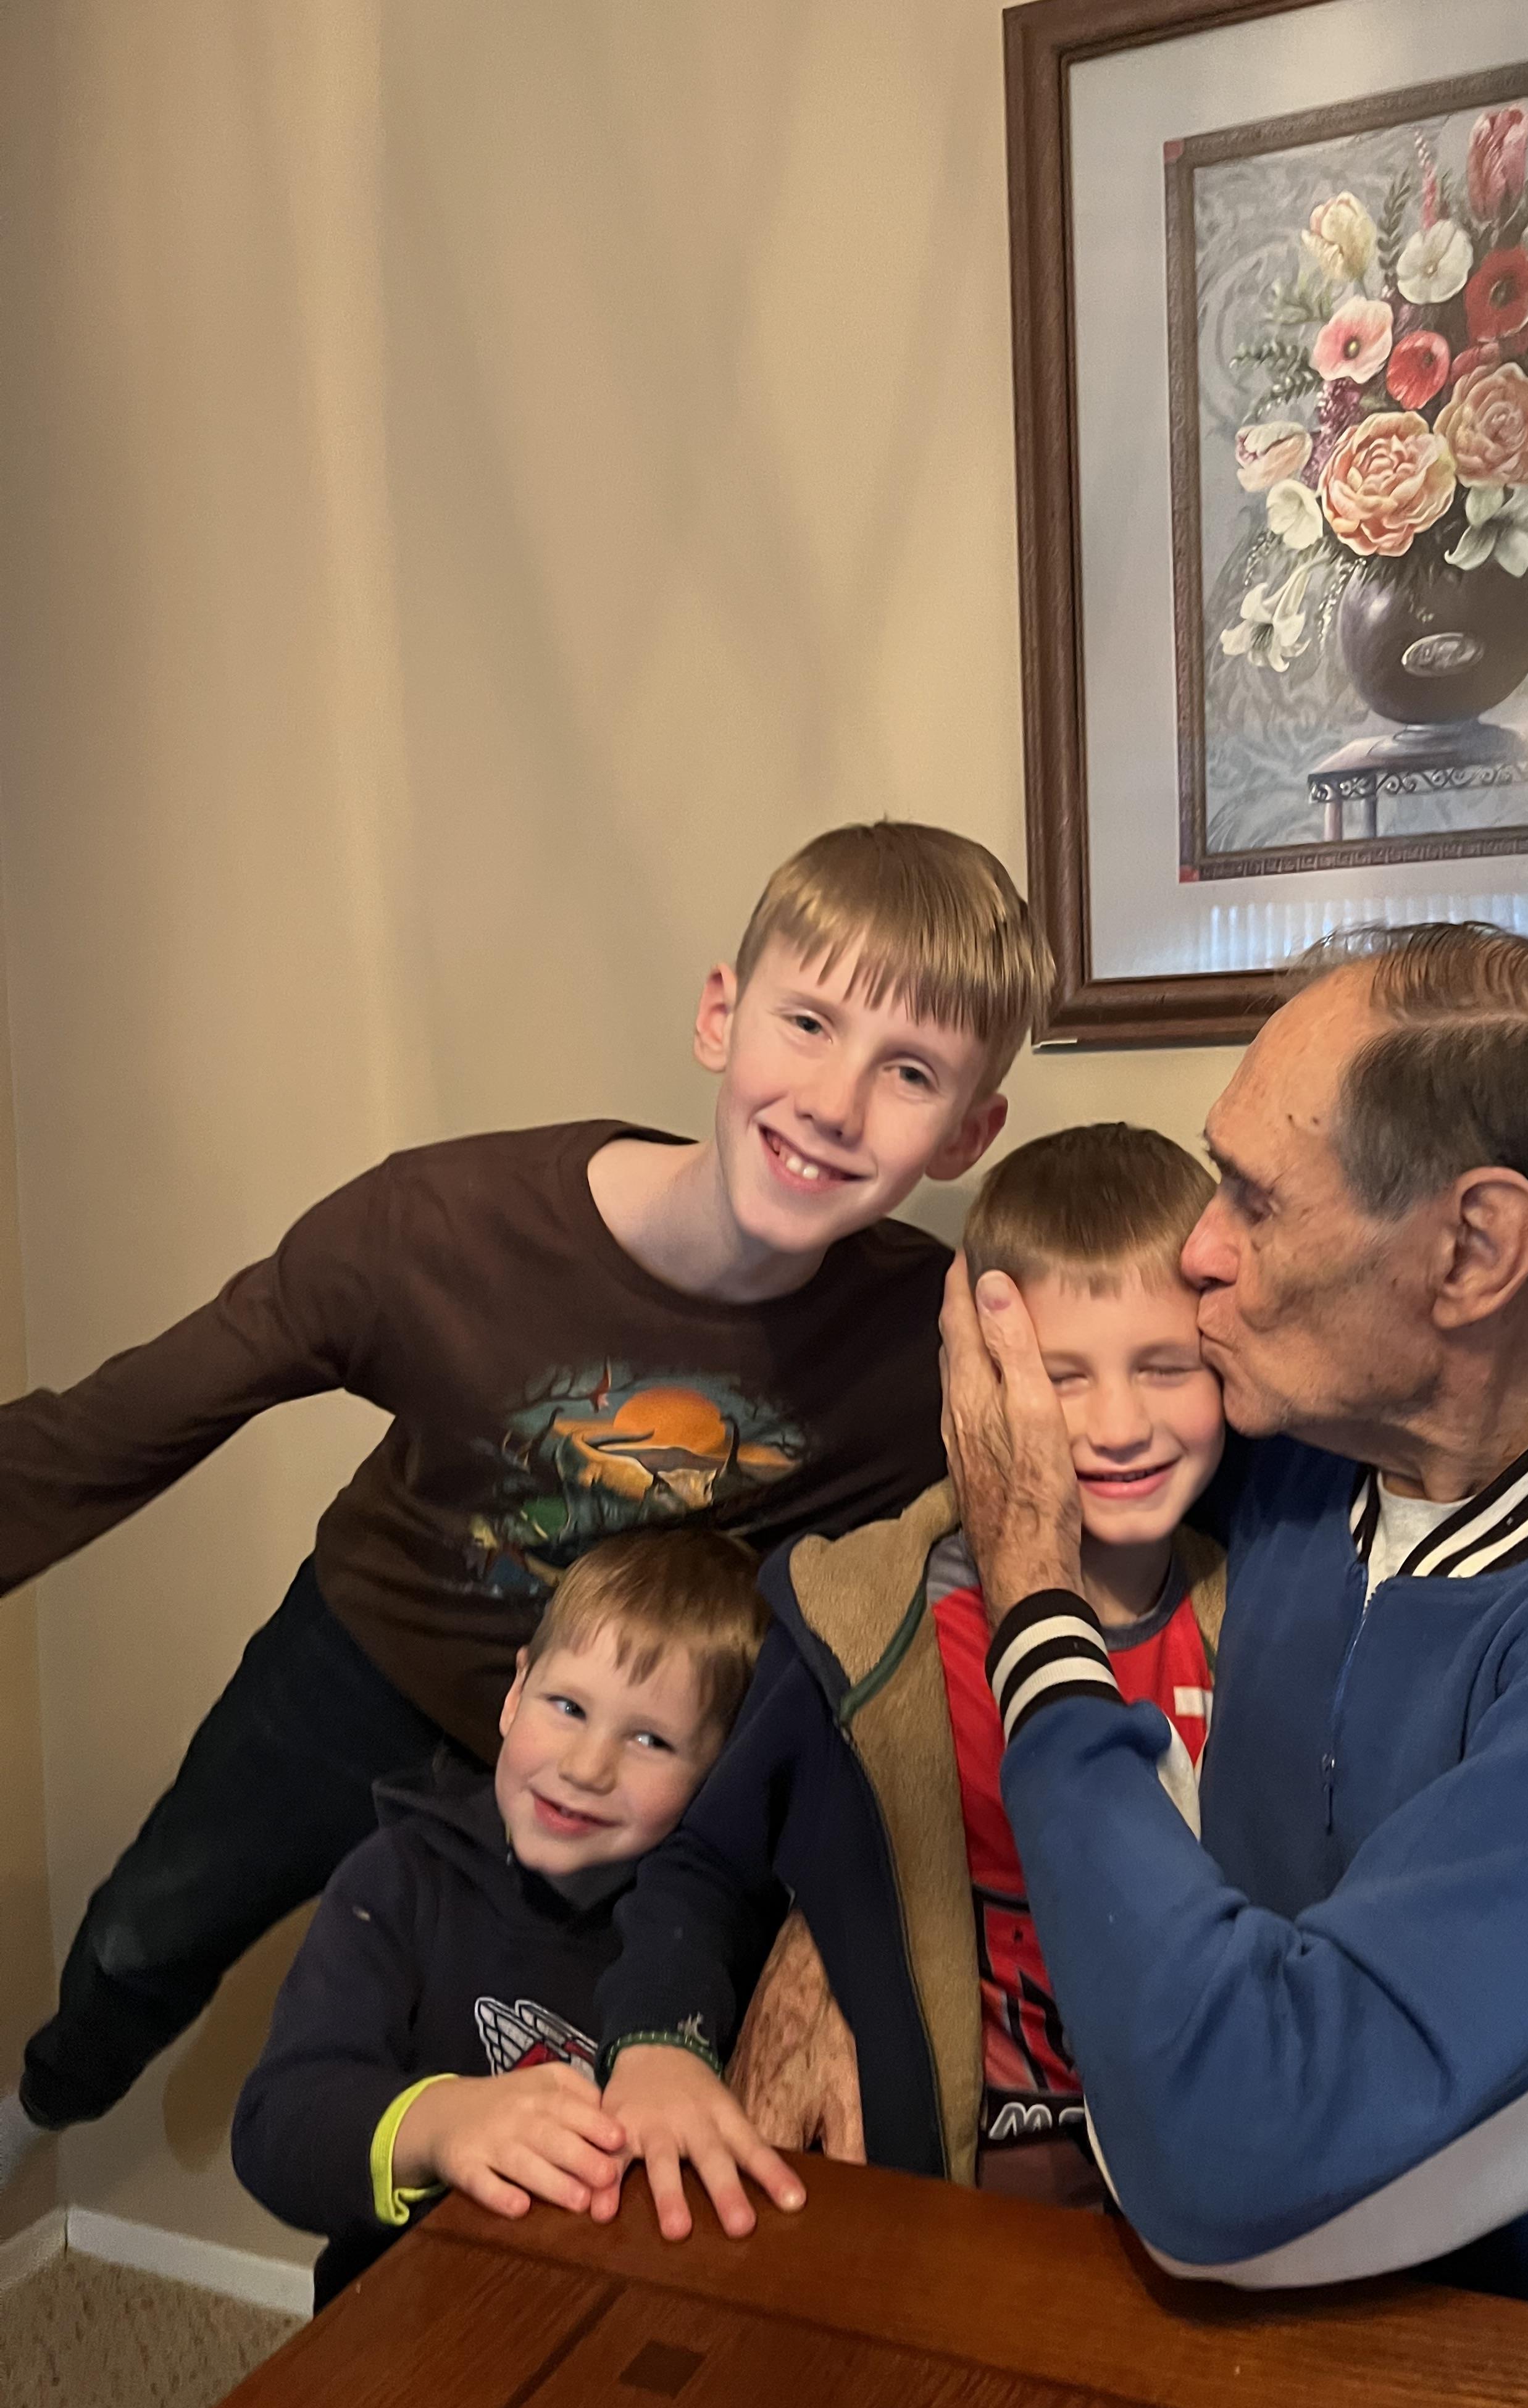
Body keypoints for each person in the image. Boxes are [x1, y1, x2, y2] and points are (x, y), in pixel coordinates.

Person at [0, 819, 1052, 2197]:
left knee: (606, 2077)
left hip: (649, 1739)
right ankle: (35, 2108)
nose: (838, 1104)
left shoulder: (927, 1344)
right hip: (367, 1663)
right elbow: (108, 1429)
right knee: (147, 1933)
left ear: (970, 1130)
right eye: (809, 1023)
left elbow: (1068, 1481)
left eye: (908, 1072)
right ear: (720, 1016)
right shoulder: (435, 1233)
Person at [933, 924, 1528, 2358]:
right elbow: (944, 1517)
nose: (1199, 1251)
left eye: (1253, 1201)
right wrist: (864, 1874)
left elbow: (1234, 2155)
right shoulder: (1319, 1432)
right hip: (1257, 2336)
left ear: (1474, 1249)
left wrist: (1033, 1608)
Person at [586, 1124, 1230, 2233]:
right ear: (979, 1382)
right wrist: (657, 2041)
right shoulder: (868, 1619)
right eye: (1056, 1380)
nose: (1119, 1426)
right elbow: (706, 1864)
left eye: (1166, 1368)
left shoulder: (1269, 1610)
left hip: (1195, 2186)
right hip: (927, 2186)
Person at [232, 1529, 767, 2305]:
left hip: (625, 2324)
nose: (586, 1767)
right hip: (403, 2326)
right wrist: (443, 2123)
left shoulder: (720, 1934)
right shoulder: (399, 1880)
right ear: (516, 1694)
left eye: (651, 1739)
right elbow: (274, 2129)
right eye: (567, 1706)